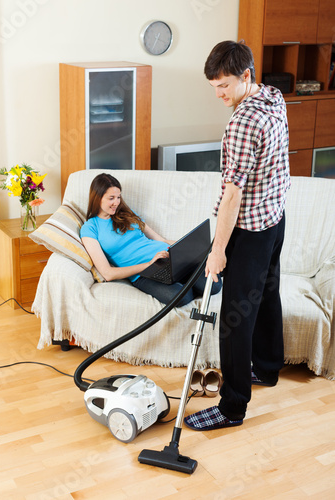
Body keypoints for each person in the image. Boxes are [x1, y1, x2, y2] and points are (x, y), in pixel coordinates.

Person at [184, 40, 291, 431]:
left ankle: (232, 407)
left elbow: (232, 195)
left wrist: (219, 250)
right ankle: (266, 367)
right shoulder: (273, 97)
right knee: (266, 295)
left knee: (233, 319)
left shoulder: (243, 122)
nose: (219, 95)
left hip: (249, 230)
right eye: (213, 86)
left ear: (246, 76)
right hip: (275, 221)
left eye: (225, 85)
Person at [80, 173, 222, 306]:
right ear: (97, 198)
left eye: (118, 197)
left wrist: (190, 248)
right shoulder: (90, 228)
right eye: (111, 198)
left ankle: (188, 275)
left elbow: (161, 240)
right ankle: (186, 281)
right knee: (182, 296)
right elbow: (108, 273)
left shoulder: (128, 214)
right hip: (143, 274)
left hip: (168, 258)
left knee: (214, 286)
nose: (116, 203)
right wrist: (149, 264)